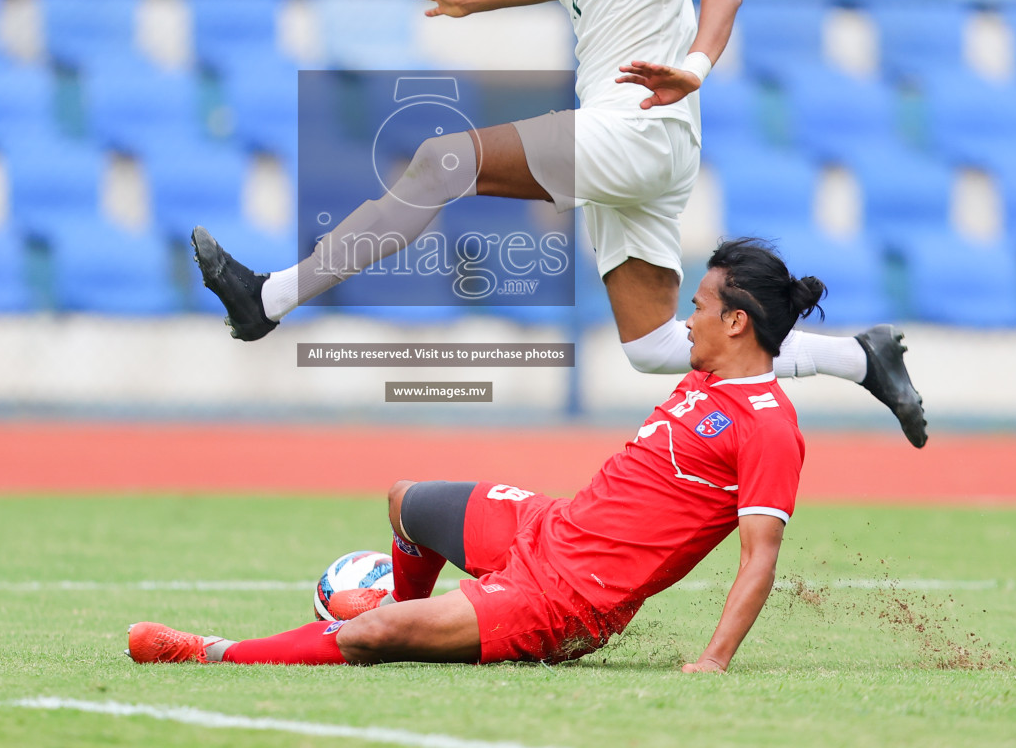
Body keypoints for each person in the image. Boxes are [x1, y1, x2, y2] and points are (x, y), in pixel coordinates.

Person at [190, 0, 926, 449]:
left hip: (641, 124)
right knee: (651, 348)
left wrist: (694, 67)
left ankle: (269, 298)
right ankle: (860, 359)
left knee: (440, 162)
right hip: (638, 141)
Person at [129, 238, 817, 671]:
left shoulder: (768, 428)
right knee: (405, 501)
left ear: (736, 321)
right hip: (548, 529)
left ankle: (209, 650)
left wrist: (713, 662)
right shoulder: (706, 375)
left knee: (371, 634)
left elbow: (759, 557)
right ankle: (410, 622)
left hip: (563, 601)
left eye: (698, 307)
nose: (686, 319)